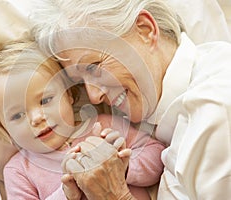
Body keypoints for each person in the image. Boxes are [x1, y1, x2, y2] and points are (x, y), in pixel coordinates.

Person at [32, 0, 231, 199]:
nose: (93, 97)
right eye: (81, 83)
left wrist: (114, 193)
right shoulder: (174, 111)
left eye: (93, 67)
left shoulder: (213, 109)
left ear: (145, 30)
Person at [0, 41, 165, 199]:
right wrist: (67, 193)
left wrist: (124, 166)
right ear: (3, 126)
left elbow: (158, 154)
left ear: (69, 95)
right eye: (17, 115)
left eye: (45, 100)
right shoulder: (19, 171)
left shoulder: (104, 125)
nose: (37, 118)